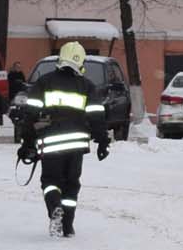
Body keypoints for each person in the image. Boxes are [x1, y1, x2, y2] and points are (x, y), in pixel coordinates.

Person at [15, 39, 111, 238]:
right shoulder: (87, 86)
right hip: (77, 144)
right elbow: (96, 116)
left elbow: (30, 115)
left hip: (51, 143)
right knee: (72, 184)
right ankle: (67, 225)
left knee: (50, 181)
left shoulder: (44, 82)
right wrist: (103, 142)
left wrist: (27, 143)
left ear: (61, 59)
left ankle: (54, 208)